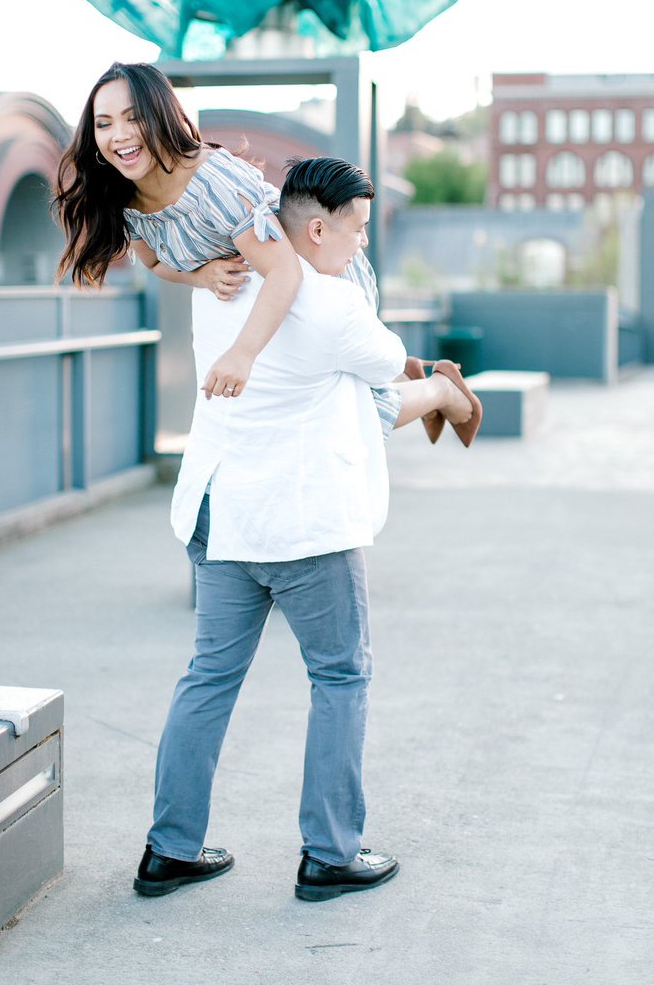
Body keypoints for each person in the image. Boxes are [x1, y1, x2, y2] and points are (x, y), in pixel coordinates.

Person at [133, 159, 413, 903]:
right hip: (303, 528)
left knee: (208, 678)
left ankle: (170, 850)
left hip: (221, 517)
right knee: (340, 676)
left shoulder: (221, 280)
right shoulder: (329, 302)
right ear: (316, 228)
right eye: (354, 232)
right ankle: (329, 855)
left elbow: (165, 255)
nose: (359, 248)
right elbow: (387, 364)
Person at [53, 62, 481, 446]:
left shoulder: (213, 182)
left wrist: (242, 354)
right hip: (262, 303)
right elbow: (153, 262)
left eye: (134, 118)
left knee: (360, 414)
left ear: (162, 116)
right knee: (339, 406)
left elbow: (285, 273)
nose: (120, 135)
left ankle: (442, 388)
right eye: (104, 123)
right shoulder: (123, 197)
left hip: (314, 277)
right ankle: (404, 372)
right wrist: (200, 276)